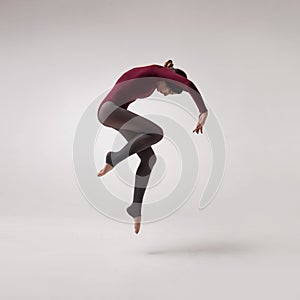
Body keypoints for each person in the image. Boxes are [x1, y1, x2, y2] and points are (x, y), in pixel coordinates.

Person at [97, 59, 208, 234]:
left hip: (115, 112)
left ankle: (135, 207)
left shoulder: (150, 80)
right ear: (169, 79)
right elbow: (188, 84)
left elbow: (124, 90)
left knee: (149, 159)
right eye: (170, 90)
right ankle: (114, 157)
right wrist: (203, 111)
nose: (166, 94)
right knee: (157, 132)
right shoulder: (155, 71)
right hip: (109, 111)